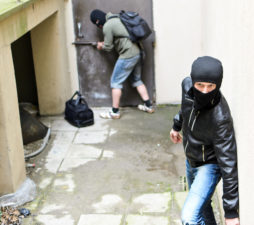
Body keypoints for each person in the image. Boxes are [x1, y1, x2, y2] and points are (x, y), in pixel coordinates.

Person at [170, 56, 239, 225]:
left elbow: (229, 163)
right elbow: (185, 108)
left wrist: (230, 212)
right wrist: (176, 126)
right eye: (200, 85)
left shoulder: (221, 117)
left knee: (189, 218)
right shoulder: (187, 86)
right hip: (191, 159)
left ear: (218, 84)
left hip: (209, 166)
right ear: (193, 82)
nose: (205, 91)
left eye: (211, 86)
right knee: (203, 206)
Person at [90, 9, 154, 119]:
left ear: (97, 21)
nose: (99, 27)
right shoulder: (117, 18)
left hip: (128, 55)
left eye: (97, 25)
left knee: (115, 82)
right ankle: (149, 106)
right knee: (137, 80)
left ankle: (114, 112)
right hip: (138, 52)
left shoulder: (108, 26)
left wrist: (101, 45)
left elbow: (108, 47)